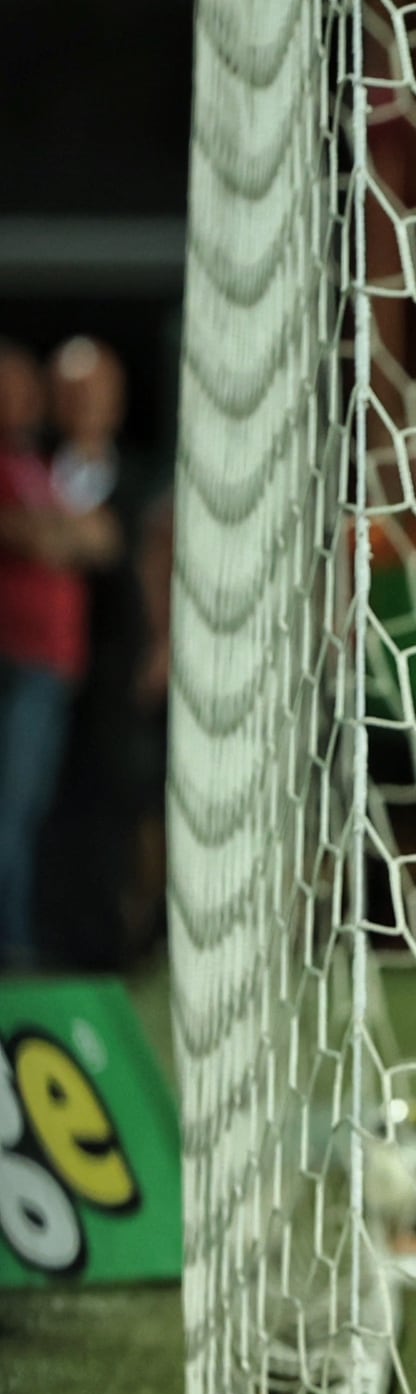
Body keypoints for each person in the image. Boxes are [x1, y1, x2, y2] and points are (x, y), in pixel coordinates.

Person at [0, 339, 116, 970]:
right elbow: (43, 540)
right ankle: (11, 946)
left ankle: (20, 937)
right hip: (17, 661)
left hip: (52, 664)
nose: (20, 402)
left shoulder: (37, 468)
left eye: (25, 389)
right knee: (11, 809)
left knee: (29, 808)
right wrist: (59, 534)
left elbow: (98, 537)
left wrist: (58, 532)